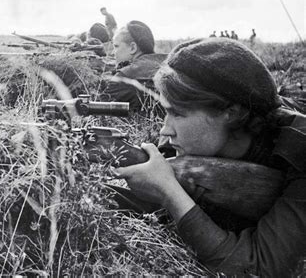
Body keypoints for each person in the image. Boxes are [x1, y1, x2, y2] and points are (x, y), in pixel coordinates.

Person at [115, 38, 306, 276]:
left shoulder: (298, 150)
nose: (165, 130)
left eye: (177, 114)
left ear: (231, 113)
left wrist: (170, 193)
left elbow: (258, 268)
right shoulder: (191, 142)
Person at [100, 20, 166, 112]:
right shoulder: (170, 62)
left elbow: (100, 112)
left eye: (116, 46)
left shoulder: (126, 76)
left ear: (133, 48)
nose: (113, 52)